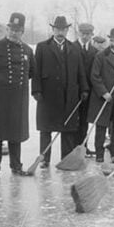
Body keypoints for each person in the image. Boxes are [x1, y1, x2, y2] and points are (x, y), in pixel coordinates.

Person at [0, 13, 35, 179]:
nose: (13, 32)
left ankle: (16, 166)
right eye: (11, 28)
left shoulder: (28, 51)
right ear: (7, 28)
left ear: (22, 31)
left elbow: (32, 72)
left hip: (18, 99)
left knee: (15, 134)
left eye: (17, 30)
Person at [32, 16, 88, 168]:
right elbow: (36, 71)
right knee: (46, 129)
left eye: (63, 29)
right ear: (53, 29)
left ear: (67, 30)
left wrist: (84, 88)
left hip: (69, 95)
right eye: (57, 29)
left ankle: (66, 158)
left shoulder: (74, 48)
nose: (60, 32)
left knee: (68, 130)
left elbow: (81, 71)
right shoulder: (42, 47)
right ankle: (44, 159)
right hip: (47, 96)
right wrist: (36, 90)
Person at [87, 28, 114, 162]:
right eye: (111, 40)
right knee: (101, 125)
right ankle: (99, 153)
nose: (113, 43)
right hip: (104, 97)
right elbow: (94, 76)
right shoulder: (101, 56)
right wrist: (103, 92)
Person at [72, 23, 98, 156]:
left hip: (88, 92)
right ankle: (72, 148)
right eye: (83, 33)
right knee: (73, 121)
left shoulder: (94, 51)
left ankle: (83, 146)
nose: (85, 36)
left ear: (91, 35)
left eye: (88, 34)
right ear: (78, 33)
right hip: (74, 91)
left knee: (84, 120)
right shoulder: (71, 47)